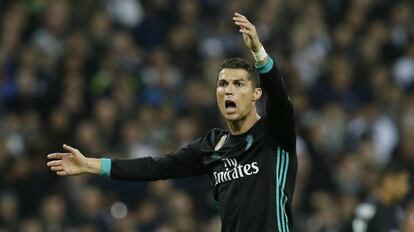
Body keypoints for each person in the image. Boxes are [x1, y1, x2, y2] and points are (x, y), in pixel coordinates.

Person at [47, 12, 297, 232]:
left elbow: (281, 100)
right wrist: (90, 164)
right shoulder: (212, 145)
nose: (228, 91)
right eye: (223, 84)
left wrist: (258, 53)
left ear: (256, 94)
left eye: (238, 84)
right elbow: (156, 168)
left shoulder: (274, 133)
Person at [349, 164, 410, 232]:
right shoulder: (368, 208)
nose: (406, 188)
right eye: (402, 182)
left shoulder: (397, 212)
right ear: (388, 181)